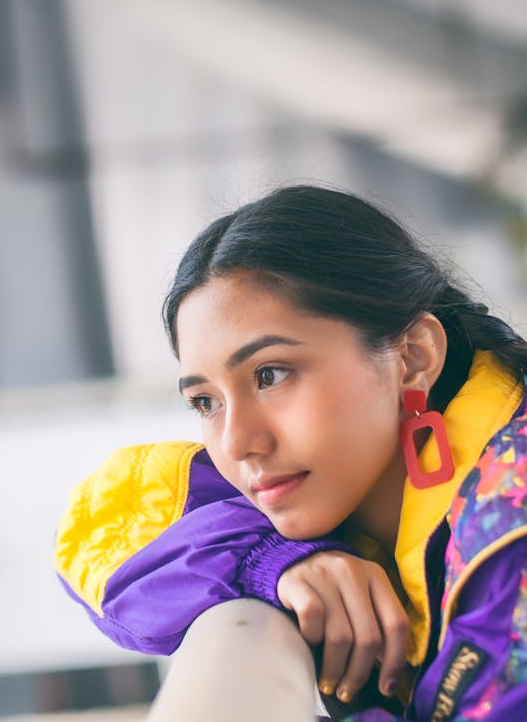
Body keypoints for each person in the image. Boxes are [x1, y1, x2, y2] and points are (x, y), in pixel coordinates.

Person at [55, 186, 527, 720]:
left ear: (413, 358)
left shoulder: (510, 542)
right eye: (205, 401)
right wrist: (269, 561)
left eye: (270, 375)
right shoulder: (347, 484)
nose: (236, 442)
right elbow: (111, 519)